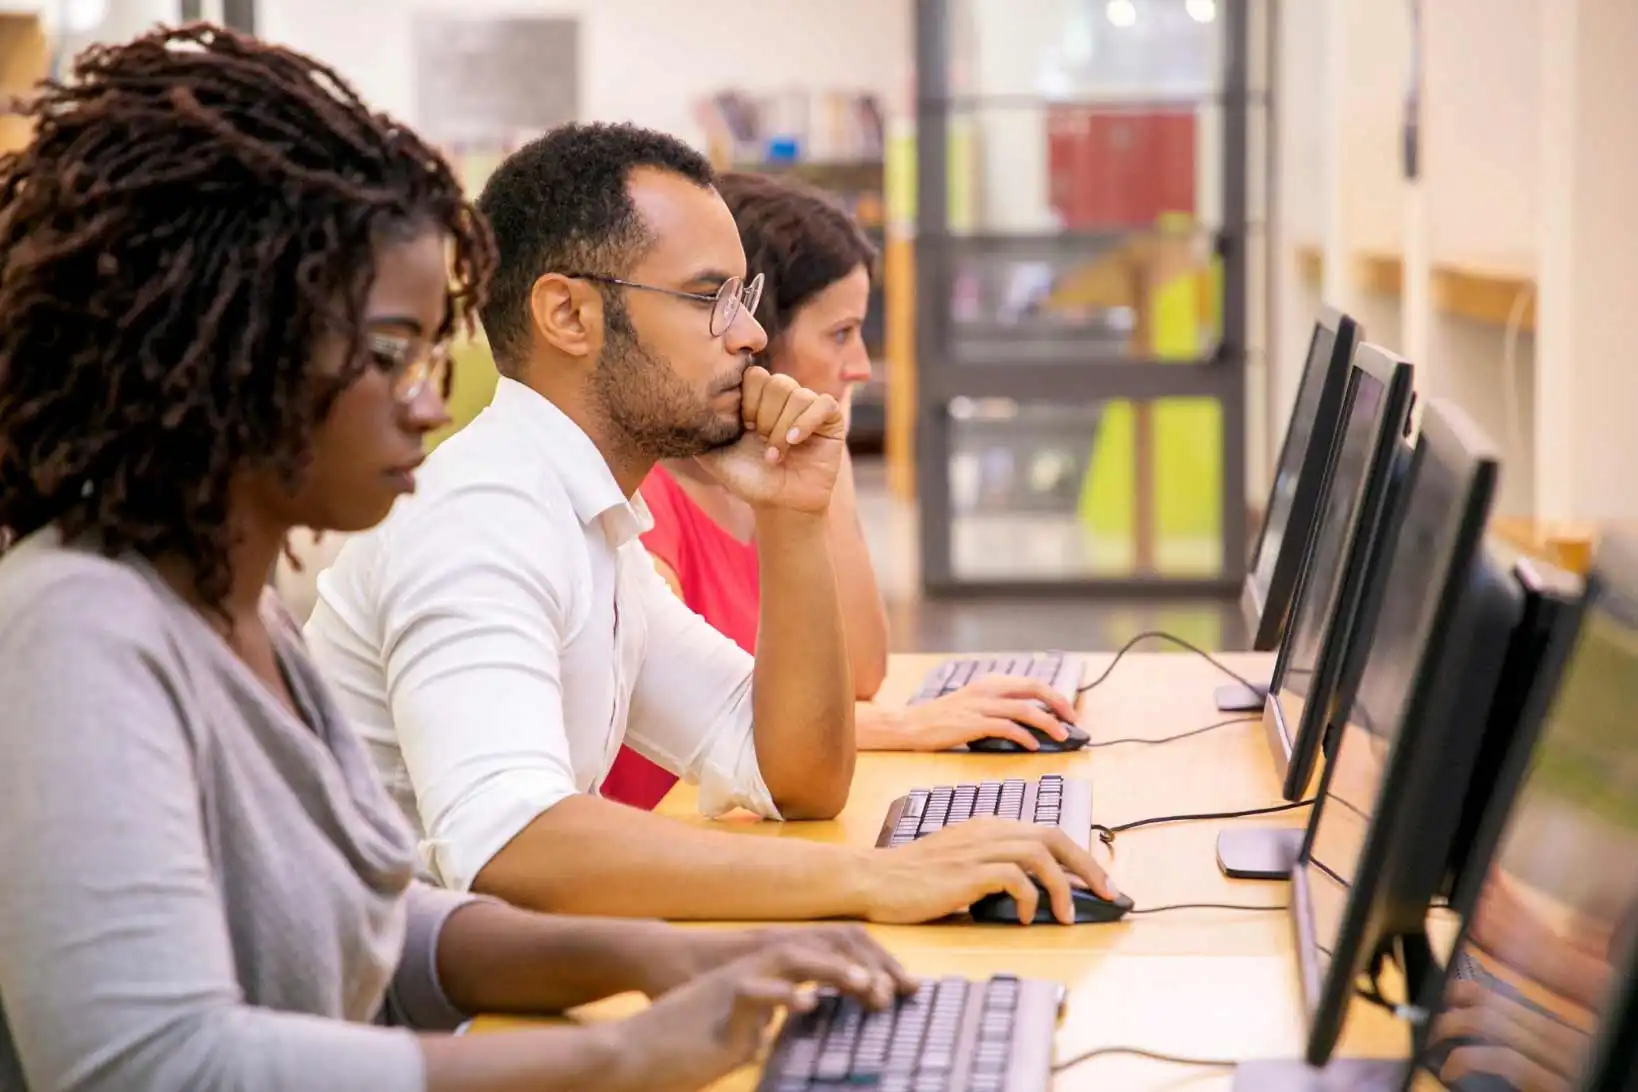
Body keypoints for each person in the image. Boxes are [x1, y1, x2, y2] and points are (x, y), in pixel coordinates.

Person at [0, 26, 914, 1092]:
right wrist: (620, 1048)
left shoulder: (240, 622)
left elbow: (378, 928)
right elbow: (155, 1066)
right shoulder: (78, 629)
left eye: (430, 354)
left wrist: (664, 954)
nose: (429, 401)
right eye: (390, 354)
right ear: (229, 347)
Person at [302, 120, 1119, 923]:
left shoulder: (592, 523)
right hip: (412, 1031)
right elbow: (510, 846)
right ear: (569, 316)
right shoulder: (483, 516)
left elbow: (796, 773)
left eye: (745, 299)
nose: (753, 336)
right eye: (709, 300)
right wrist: (873, 879)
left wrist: (792, 519)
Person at [600, 170, 1082, 810]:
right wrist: (912, 727)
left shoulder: (756, 496)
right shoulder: (648, 512)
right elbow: (725, 737)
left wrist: (828, 464)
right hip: (682, 846)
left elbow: (859, 673)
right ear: (759, 339)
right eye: (839, 333)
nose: (859, 364)